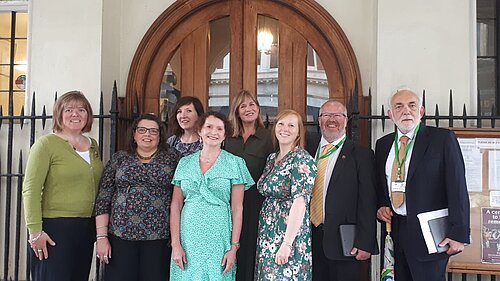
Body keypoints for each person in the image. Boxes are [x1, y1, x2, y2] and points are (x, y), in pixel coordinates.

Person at [375, 89, 470, 281]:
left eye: (412, 105)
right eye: (399, 106)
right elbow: (382, 184)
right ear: (390, 114)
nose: (406, 111)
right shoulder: (383, 145)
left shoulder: (441, 139)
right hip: (396, 231)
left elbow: (457, 187)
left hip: (430, 233)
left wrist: (459, 233)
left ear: (421, 111)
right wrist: (382, 205)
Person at [22, 90, 104, 281]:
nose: (75, 114)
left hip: (85, 227)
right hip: (54, 228)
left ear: (88, 115)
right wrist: (35, 232)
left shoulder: (93, 145)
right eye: (69, 109)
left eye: (81, 110)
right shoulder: (46, 145)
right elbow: (31, 190)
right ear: (59, 114)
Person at [94, 114, 180, 281]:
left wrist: (177, 237)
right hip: (120, 235)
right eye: (142, 130)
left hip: (159, 236)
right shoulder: (120, 158)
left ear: (160, 136)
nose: (147, 134)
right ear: (134, 134)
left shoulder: (173, 158)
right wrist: (101, 237)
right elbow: (104, 198)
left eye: (153, 131)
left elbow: (182, 197)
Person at [170, 111, 254, 281]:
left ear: (225, 135)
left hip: (219, 236)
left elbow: (237, 208)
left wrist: (234, 247)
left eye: (219, 129)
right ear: (200, 130)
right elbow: (175, 205)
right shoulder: (184, 163)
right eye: (209, 127)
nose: (213, 132)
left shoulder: (235, 163)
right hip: (189, 235)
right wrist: (176, 244)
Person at [306, 100, 379, 281]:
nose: (332, 119)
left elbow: (367, 201)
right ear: (319, 120)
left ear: (346, 120)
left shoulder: (362, 155)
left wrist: (365, 242)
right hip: (307, 240)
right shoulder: (306, 151)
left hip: (344, 242)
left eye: (338, 115)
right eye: (326, 115)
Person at [255, 109, 317, 281]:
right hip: (268, 233)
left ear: (298, 132)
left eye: (291, 125)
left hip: (288, 233)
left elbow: (300, 203)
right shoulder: (271, 159)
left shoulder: (302, 160)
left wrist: (287, 243)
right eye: (281, 124)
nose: (285, 129)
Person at [225, 90, 274, 281]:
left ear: (258, 108)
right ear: (236, 111)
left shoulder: (269, 137)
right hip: (228, 204)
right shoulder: (228, 137)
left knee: (251, 252)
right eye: (243, 106)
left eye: (252, 104)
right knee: (229, 249)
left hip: (256, 205)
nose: (248, 109)